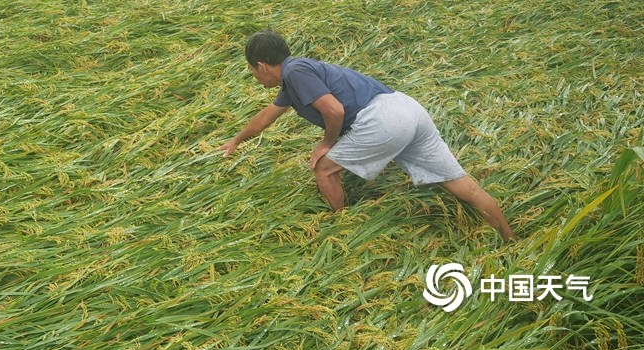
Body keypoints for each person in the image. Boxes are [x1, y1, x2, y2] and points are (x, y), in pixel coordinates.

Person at [219, 30, 514, 241]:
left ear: (261, 66)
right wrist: (236, 141)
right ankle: (510, 239)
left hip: (381, 119)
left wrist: (326, 143)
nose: (255, 77)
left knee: (324, 170)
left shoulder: (296, 72)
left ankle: (343, 231)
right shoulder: (295, 80)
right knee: (460, 184)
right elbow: (265, 117)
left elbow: (333, 111)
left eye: (252, 71)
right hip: (406, 108)